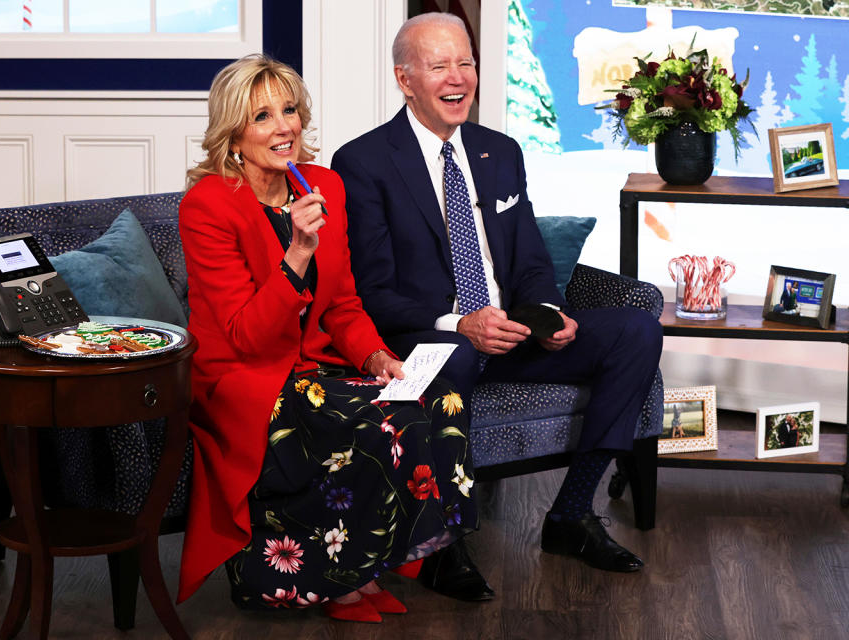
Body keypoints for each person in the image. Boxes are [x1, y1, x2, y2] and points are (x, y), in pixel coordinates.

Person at [332, 12, 663, 576]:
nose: (457, 77)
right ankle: (439, 544)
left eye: (466, 63)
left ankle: (572, 514)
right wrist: (458, 324)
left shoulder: (500, 151)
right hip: (430, 344)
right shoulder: (361, 163)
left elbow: (531, 260)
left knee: (637, 329)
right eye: (439, 66)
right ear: (405, 79)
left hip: (510, 335)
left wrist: (546, 315)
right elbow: (372, 292)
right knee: (458, 356)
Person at [176, 54, 480, 623]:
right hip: (245, 379)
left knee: (437, 397)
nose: (284, 126)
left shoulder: (323, 186)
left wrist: (378, 356)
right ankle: (332, 582)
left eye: (289, 110)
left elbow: (341, 305)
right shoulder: (209, 205)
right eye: (262, 116)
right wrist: (297, 252)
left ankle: (370, 565)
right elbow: (244, 335)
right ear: (234, 133)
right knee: (385, 420)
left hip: (320, 367)